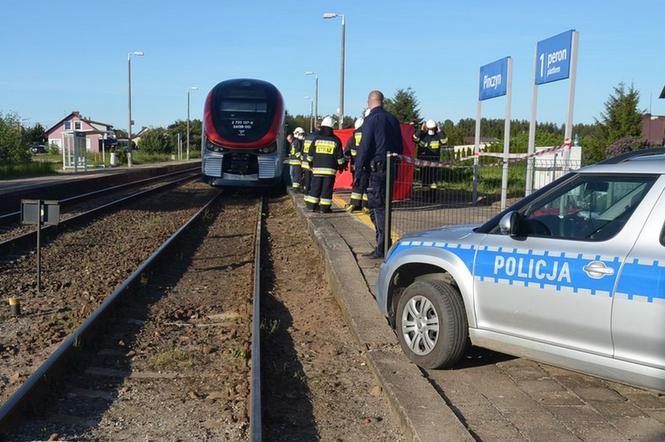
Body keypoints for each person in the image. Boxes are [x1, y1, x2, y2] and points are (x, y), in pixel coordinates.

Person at [355, 90, 403, 259]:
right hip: (390, 168)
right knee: (385, 206)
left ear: (369, 102)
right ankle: (384, 244)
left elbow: (365, 147)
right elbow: (400, 147)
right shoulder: (393, 119)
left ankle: (382, 246)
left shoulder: (371, 119)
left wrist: (358, 171)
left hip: (375, 170)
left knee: (377, 209)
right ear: (382, 101)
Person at [303, 116, 345, 213]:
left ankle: (311, 206)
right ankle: (324, 208)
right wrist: (341, 166)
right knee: (327, 189)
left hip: (317, 169)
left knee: (315, 187)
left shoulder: (316, 139)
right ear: (331, 127)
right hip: (330, 171)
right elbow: (340, 157)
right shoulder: (335, 140)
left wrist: (310, 163)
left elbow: (310, 154)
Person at [412, 119, 448, 190]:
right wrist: (421, 130)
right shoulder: (422, 136)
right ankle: (428, 196)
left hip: (433, 163)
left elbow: (444, 141)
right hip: (424, 162)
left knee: (431, 182)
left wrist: (440, 131)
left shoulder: (438, 136)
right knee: (425, 181)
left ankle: (431, 197)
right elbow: (414, 139)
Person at [344, 117, 368, 212]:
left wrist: (345, 164)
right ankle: (365, 205)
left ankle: (355, 204)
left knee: (357, 183)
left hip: (356, 165)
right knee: (367, 184)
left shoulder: (353, 137)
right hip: (367, 165)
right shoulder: (369, 133)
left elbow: (347, 152)